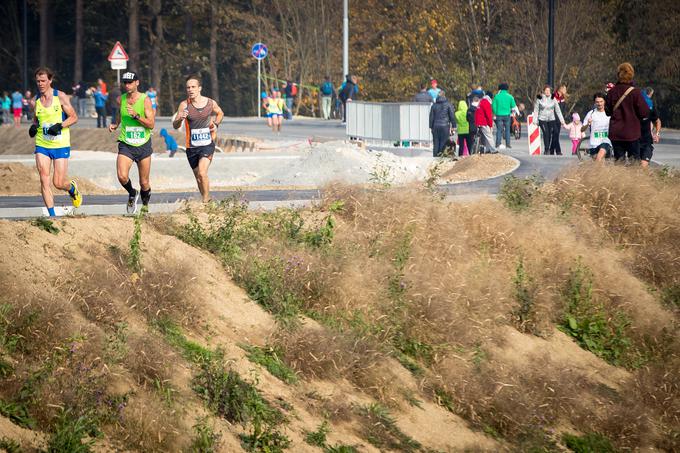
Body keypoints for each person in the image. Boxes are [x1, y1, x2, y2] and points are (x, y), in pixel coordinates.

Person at [29, 67, 82, 216]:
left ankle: (72, 188)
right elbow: (36, 120)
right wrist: (34, 127)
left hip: (60, 144)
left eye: (43, 81)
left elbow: (74, 117)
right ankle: (52, 216)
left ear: (50, 81)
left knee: (58, 183)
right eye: (38, 81)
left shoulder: (61, 97)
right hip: (42, 144)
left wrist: (60, 125)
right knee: (43, 178)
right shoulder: (36, 100)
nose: (40, 84)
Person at [172, 75, 224, 203]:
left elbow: (220, 113)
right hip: (191, 147)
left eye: (193, 87)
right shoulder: (184, 105)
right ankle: (207, 198)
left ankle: (205, 202)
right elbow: (175, 125)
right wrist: (180, 118)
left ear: (199, 88)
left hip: (207, 143)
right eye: (188, 87)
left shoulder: (210, 103)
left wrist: (216, 124)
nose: (190, 90)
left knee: (202, 172)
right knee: (198, 177)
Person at [109, 71, 155, 214]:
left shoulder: (145, 100)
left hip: (143, 144)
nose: (127, 85)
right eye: (125, 83)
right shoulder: (121, 99)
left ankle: (145, 207)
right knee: (122, 176)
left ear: (137, 83)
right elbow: (120, 113)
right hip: (126, 143)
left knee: (144, 182)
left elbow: (151, 124)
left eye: (130, 82)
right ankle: (132, 193)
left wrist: (136, 116)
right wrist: (116, 124)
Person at [605, 62, 650, 163]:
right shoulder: (636, 92)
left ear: (618, 75)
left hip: (616, 133)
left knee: (619, 162)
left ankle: (619, 179)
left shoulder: (612, 92)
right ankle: (632, 179)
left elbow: (607, 112)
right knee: (634, 163)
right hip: (632, 132)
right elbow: (644, 112)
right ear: (631, 75)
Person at [533, 85, 565, 155]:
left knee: (555, 132)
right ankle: (546, 149)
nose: (547, 92)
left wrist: (562, 120)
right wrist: (535, 120)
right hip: (542, 119)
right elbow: (536, 110)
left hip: (551, 119)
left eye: (548, 90)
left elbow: (558, 110)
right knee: (546, 133)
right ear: (544, 91)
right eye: (546, 90)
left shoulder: (553, 98)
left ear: (550, 91)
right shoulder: (539, 98)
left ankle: (551, 149)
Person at [581, 92, 612, 162]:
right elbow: (582, 130)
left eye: (601, 101)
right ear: (594, 102)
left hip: (606, 141)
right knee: (599, 165)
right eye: (597, 102)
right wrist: (587, 124)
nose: (599, 104)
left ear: (604, 102)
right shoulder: (591, 113)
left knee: (599, 158)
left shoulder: (609, 113)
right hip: (594, 143)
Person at [638, 87, 661, 168]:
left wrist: (657, 134)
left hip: (646, 141)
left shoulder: (650, 106)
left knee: (643, 166)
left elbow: (657, 121)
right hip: (634, 142)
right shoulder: (632, 108)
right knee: (635, 167)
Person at [429, 91, 456, 157]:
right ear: (444, 96)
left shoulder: (434, 105)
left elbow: (431, 117)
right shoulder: (448, 104)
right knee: (443, 142)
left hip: (435, 126)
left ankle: (435, 157)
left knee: (436, 143)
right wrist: (454, 126)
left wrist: (431, 126)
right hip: (445, 126)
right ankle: (441, 157)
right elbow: (452, 116)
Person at [492, 82, 517, 150]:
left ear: (500, 89)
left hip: (499, 115)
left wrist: (496, 112)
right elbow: (513, 106)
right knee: (507, 130)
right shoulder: (510, 96)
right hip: (507, 115)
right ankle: (508, 144)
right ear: (507, 89)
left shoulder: (497, 96)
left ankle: (497, 143)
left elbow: (493, 106)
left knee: (499, 130)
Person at [551, 84, 568, 155]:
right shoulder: (553, 96)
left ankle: (551, 150)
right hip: (552, 118)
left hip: (559, 119)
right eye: (564, 89)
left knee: (556, 135)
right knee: (556, 133)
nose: (565, 90)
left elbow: (563, 109)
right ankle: (558, 150)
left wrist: (563, 119)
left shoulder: (563, 98)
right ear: (560, 89)